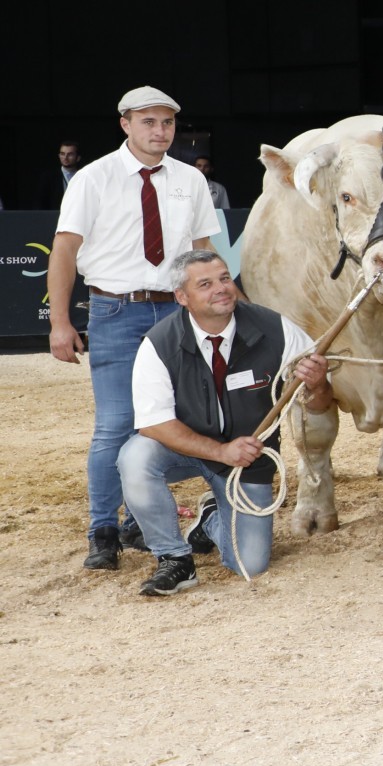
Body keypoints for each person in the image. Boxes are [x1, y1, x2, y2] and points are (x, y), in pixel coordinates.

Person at [49, 88, 223, 571]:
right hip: (115, 311)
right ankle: (103, 528)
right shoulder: (93, 178)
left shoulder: (190, 179)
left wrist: (222, 310)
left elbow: (203, 251)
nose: (159, 131)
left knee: (180, 419)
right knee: (115, 425)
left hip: (177, 314)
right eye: (148, 122)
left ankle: (143, 518)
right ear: (125, 124)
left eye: (167, 123)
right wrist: (60, 323)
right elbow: (64, 250)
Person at [118, 249, 332, 595]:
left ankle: (210, 521)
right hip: (185, 449)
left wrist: (319, 383)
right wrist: (221, 451)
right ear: (182, 297)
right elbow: (154, 425)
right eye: (205, 284)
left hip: (247, 461)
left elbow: (319, 404)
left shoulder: (276, 329)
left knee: (250, 564)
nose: (221, 288)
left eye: (224, 278)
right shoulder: (158, 344)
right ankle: (174, 558)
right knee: (135, 458)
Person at [38, 140, 82, 209]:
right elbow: (40, 204)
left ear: (78, 158)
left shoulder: (84, 176)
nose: (65, 157)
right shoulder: (49, 177)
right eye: (62, 154)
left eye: (70, 154)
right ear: (59, 156)